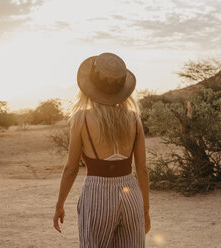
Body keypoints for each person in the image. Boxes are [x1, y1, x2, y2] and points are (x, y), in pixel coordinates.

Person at [53, 52, 150, 247]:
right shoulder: (134, 118)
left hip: (97, 194)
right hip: (131, 193)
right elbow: (142, 169)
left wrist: (59, 205)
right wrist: (145, 210)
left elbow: (71, 169)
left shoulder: (81, 119)